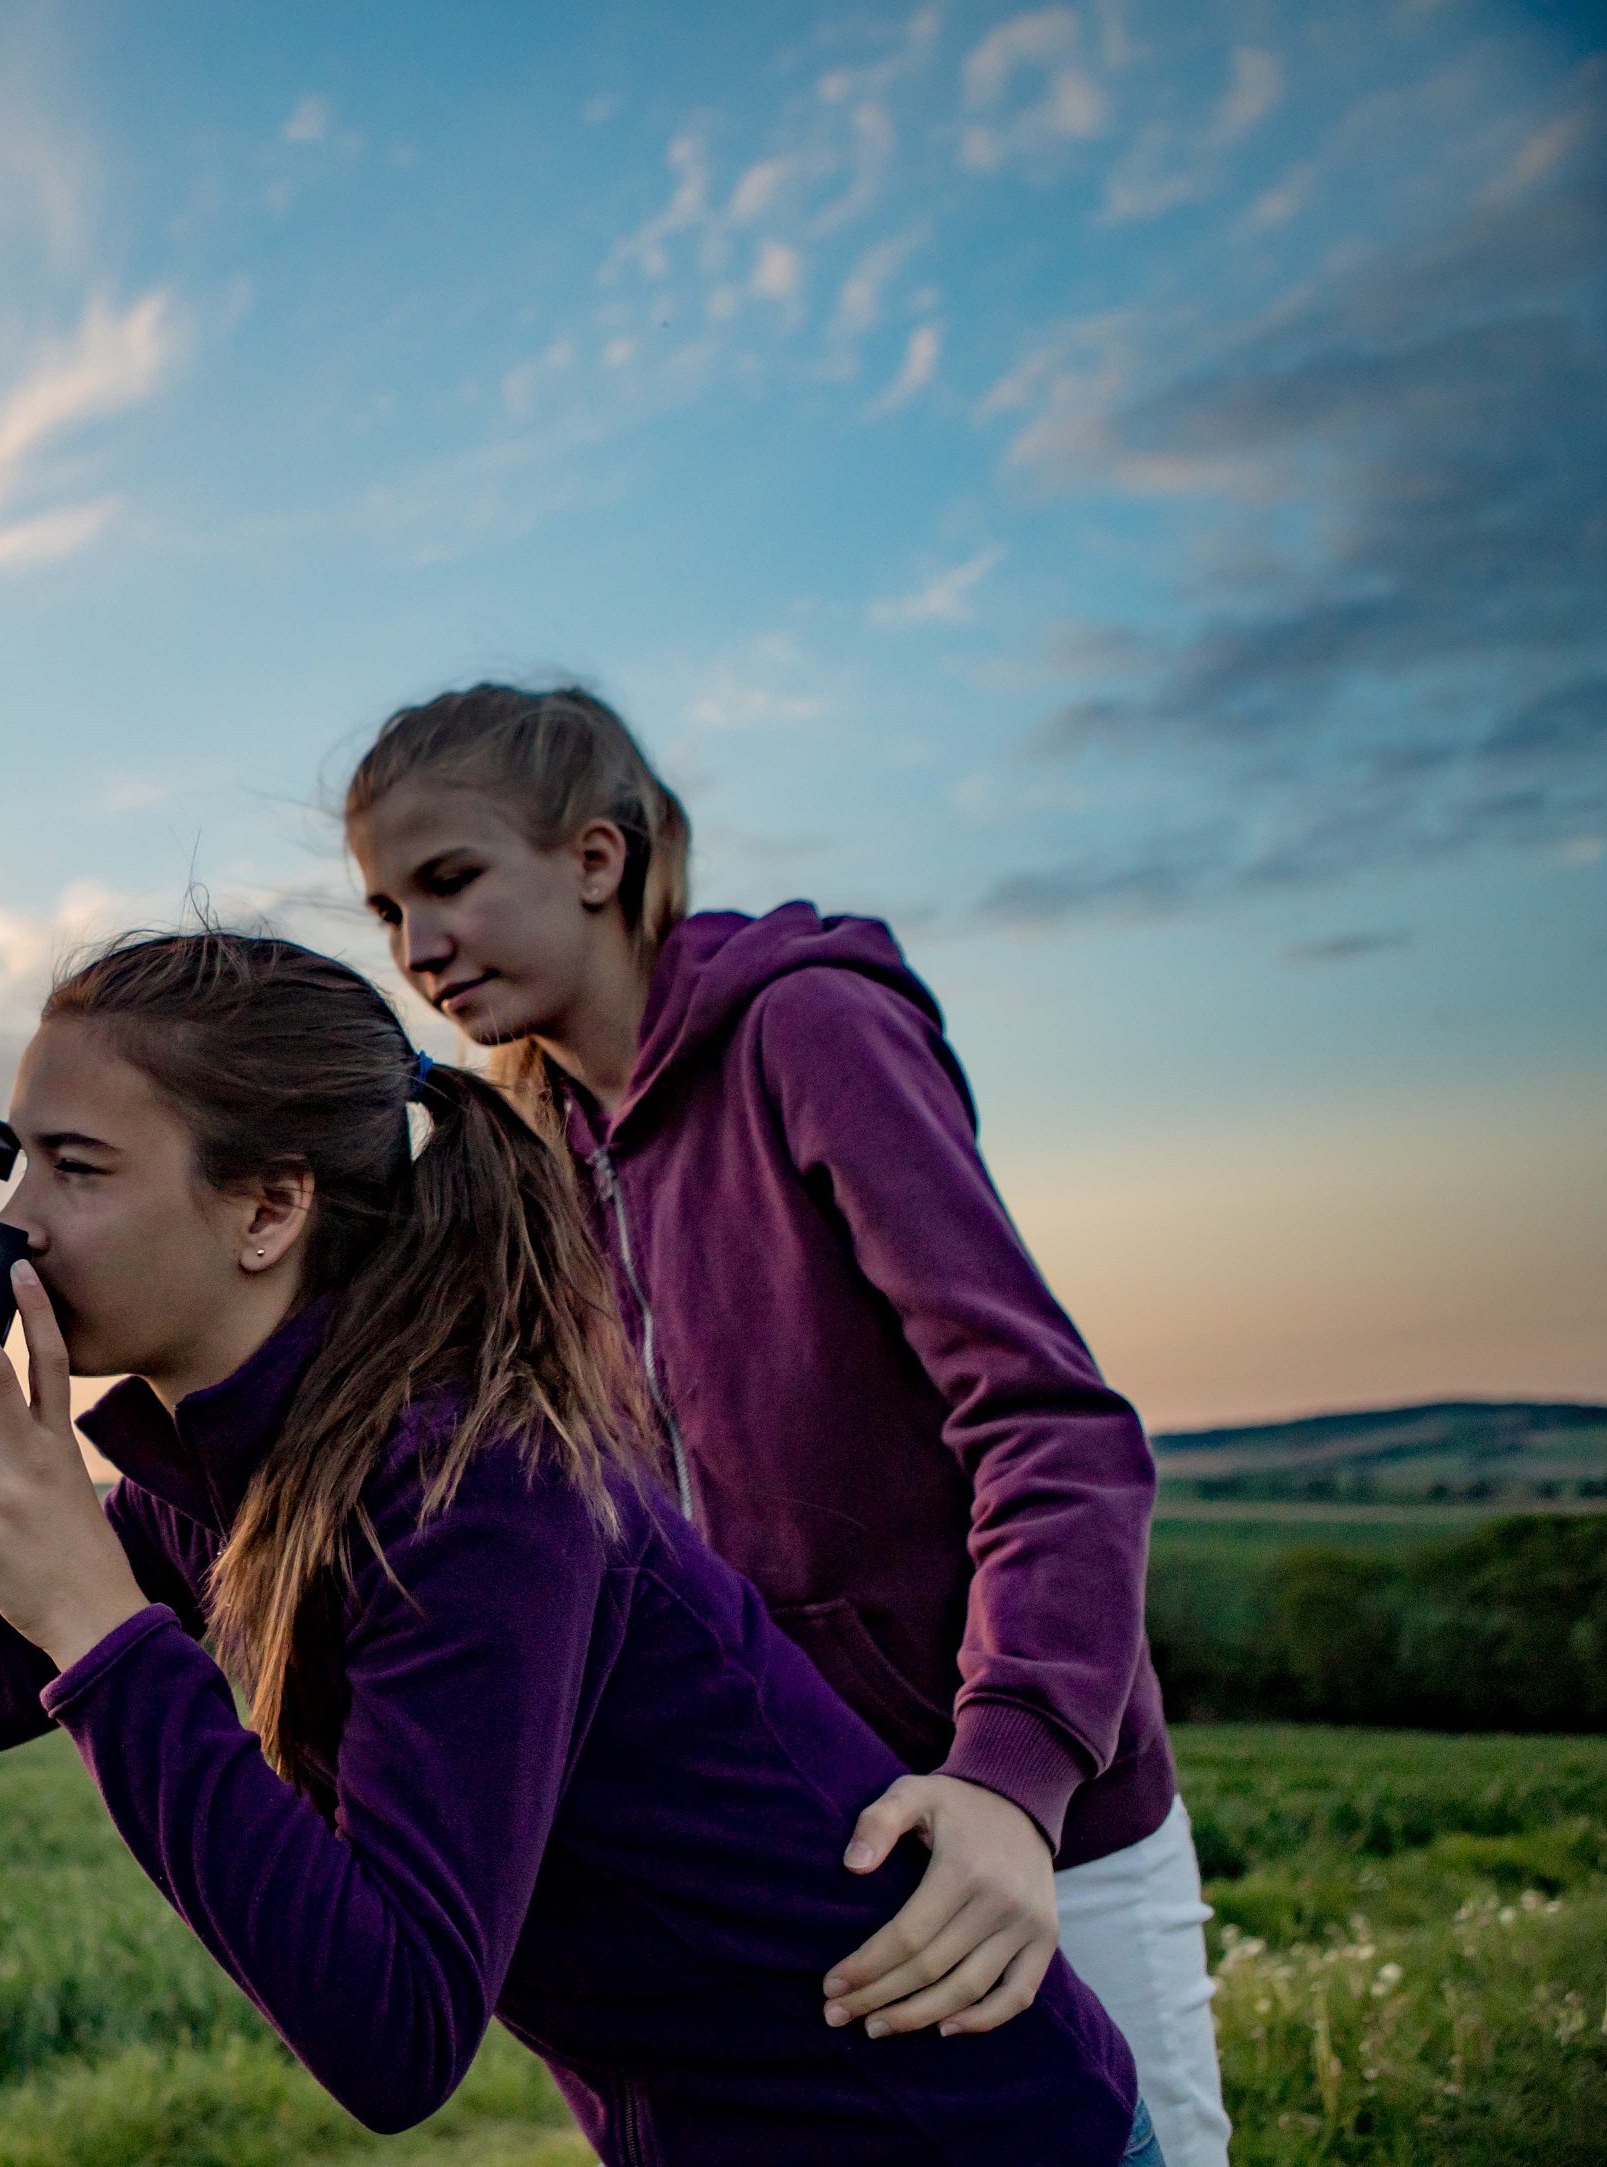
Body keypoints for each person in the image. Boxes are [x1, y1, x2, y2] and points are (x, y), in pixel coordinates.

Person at [0, 929, 1155, 2165]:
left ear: (268, 1210)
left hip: (946, 2136)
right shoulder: (251, 1459)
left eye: (76, 1169)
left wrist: (101, 1625)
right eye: (18, 1164)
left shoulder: (472, 1486)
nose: (18, 1219)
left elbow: (396, 2033)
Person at [342, 683, 1226, 2167]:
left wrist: (1011, 1780)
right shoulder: (519, 1169)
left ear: (598, 859)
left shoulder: (806, 1030)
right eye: (382, 910)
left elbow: (1053, 1427)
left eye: (449, 882)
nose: (415, 947)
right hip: (801, 1846)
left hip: (1039, 1823)